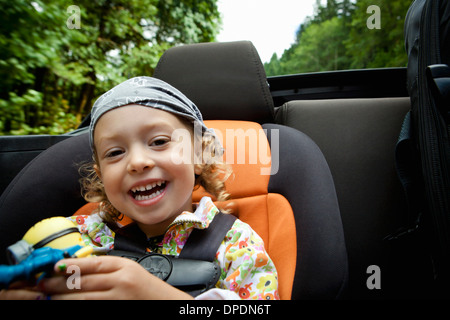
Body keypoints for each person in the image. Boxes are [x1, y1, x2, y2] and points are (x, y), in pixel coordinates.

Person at [1, 76, 278, 300]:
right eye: (115, 153)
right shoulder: (82, 235)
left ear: (199, 155)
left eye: (158, 142)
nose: (137, 162)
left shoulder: (237, 246)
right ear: (101, 176)